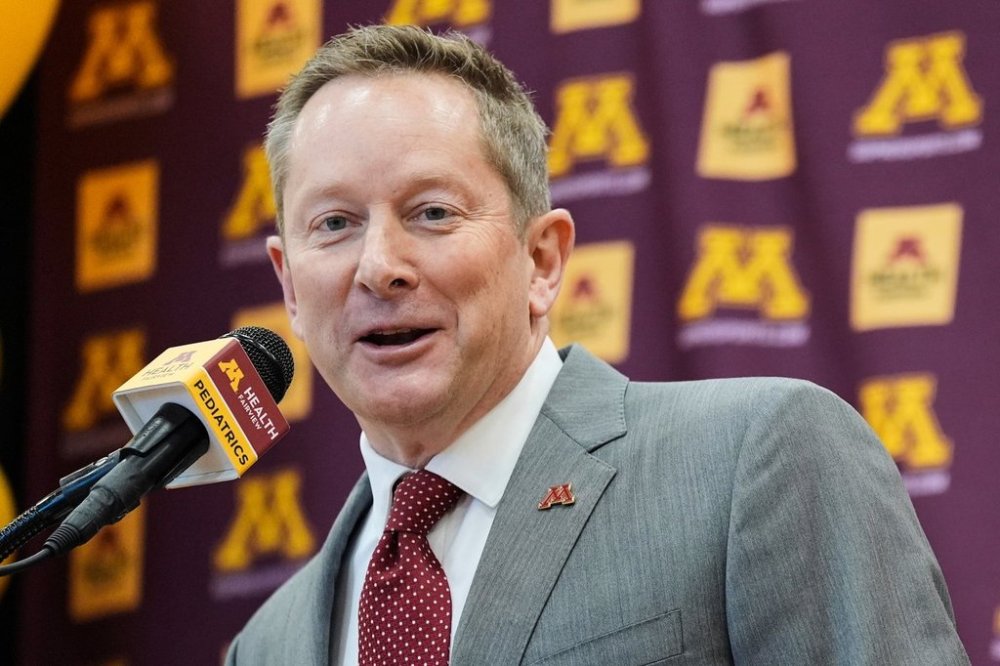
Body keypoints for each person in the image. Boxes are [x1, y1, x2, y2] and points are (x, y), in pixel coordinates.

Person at [226, 24, 970, 665]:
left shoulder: (754, 459)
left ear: (542, 261)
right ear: (290, 285)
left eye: (431, 212)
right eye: (334, 224)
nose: (378, 266)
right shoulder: (268, 644)